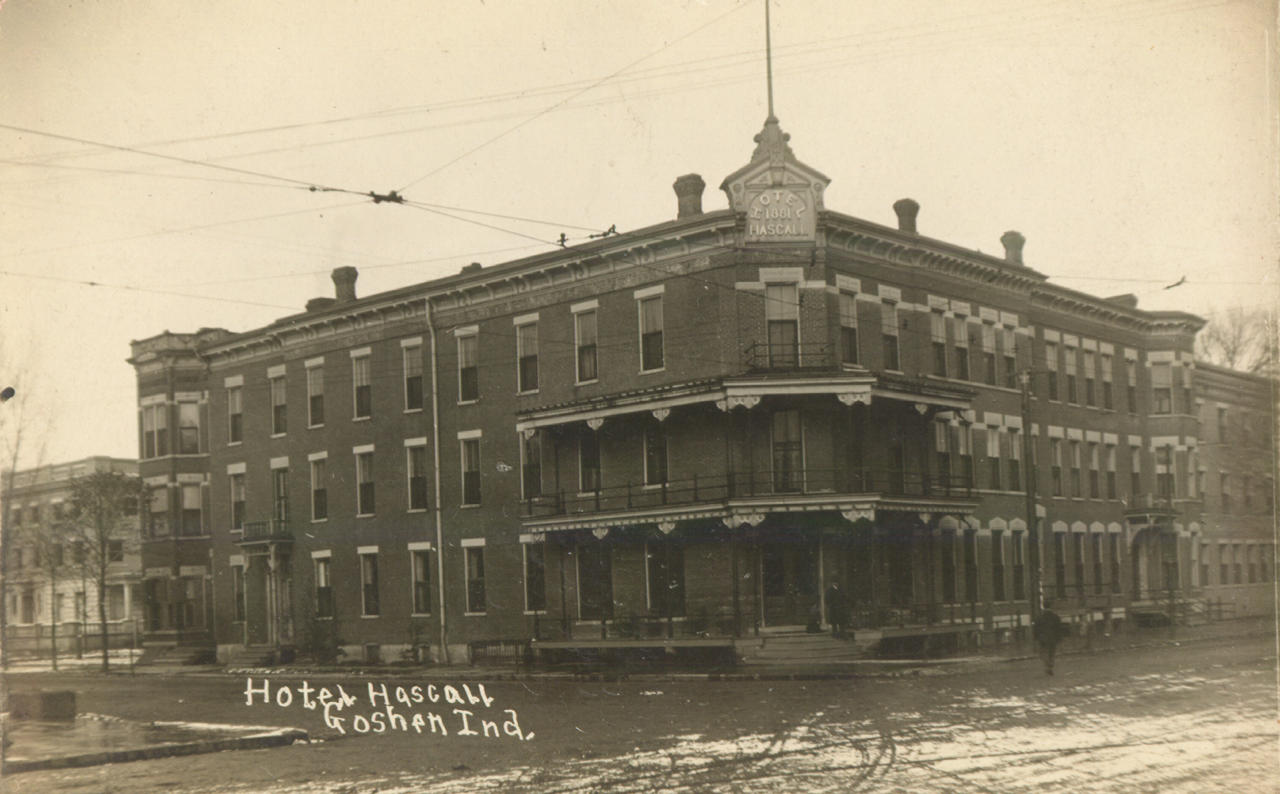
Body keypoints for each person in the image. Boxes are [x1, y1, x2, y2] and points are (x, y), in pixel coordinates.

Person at [1032, 601, 1067, 675]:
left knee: (1043, 653)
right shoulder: (1055, 617)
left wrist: (1036, 638)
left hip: (1043, 638)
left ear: (1043, 607)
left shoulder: (1040, 617)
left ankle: (1048, 664)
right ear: (1051, 606)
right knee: (1052, 653)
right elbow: (1059, 628)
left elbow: (1036, 628)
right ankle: (1050, 665)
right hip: (1053, 638)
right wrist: (1059, 638)